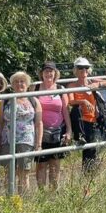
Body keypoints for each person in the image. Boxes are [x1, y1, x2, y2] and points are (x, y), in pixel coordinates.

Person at [0, 72, 42, 194]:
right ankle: (9, 200)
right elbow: (0, 122)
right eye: (16, 82)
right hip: (7, 140)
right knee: (8, 173)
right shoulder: (6, 101)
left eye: (22, 81)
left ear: (27, 84)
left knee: (24, 173)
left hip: (26, 141)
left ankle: (23, 202)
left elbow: (39, 123)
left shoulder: (34, 100)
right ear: (12, 85)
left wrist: (39, 143)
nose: (19, 84)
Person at [33, 62, 72, 190]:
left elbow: (65, 110)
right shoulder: (36, 88)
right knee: (41, 164)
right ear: (41, 73)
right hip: (40, 132)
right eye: (46, 71)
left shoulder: (61, 89)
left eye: (51, 71)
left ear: (55, 73)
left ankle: (53, 193)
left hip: (58, 130)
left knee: (55, 163)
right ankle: (42, 193)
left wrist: (69, 130)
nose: (49, 73)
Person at [68, 57, 99, 173]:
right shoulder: (72, 86)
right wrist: (83, 101)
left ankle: (90, 177)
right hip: (81, 120)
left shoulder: (92, 83)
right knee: (87, 149)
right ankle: (86, 176)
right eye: (80, 68)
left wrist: (100, 83)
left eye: (86, 67)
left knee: (92, 150)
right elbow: (70, 101)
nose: (83, 70)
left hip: (93, 119)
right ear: (76, 70)